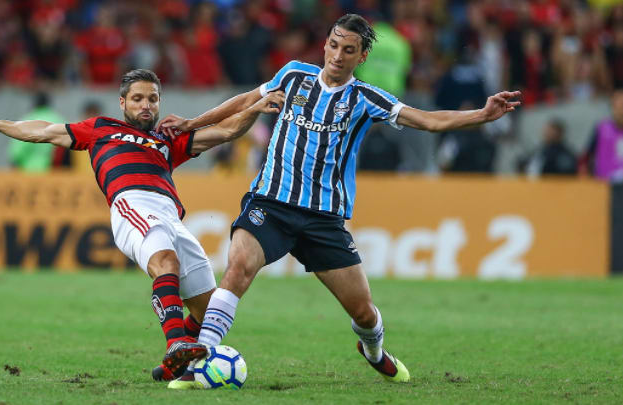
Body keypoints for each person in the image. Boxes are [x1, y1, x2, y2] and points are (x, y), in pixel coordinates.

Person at [158, 14, 521, 389]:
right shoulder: (294, 76)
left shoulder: (366, 98)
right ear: (326, 44)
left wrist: (482, 114)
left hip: (324, 220)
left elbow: (427, 120)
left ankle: (375, 352)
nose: (337, 55)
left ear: (361, 57)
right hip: (271, 203)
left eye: (348, 50)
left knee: (364, 314)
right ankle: (196, 363)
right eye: (334, 45)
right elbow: (246, 100)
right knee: (236, 271)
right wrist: (192, 124)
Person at [0, 69, 284, 382]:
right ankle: (176, 344)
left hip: (171, 215)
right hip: (132, 203)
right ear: (122, 103)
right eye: (138, 99)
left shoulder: (167, 140)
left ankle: (173, 365)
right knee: (165, 262)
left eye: (153, 99)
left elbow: (226, 131)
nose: (146, 105)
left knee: (208, 310)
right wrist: (0, 124)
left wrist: (254, 109)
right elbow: (45, 130)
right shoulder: (101, 128)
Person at [8, 92, 65, 172]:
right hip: (52, 174)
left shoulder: (26, 120)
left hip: (28, 173)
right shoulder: (59, 120)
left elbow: (16, 152)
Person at [580, 89, 623, 182]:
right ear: (612, 108)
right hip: (604, 185)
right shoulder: (601, 129)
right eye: (618, 106)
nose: (620, 111)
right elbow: (586, 156)